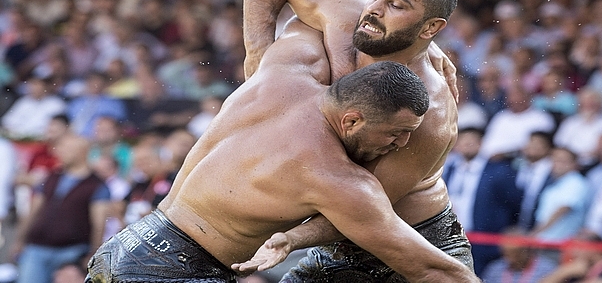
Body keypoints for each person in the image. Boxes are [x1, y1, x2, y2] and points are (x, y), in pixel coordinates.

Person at [86, 19, 477, 283]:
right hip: (175, 272)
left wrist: (424, 46)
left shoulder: (282, 72)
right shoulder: (334, 177)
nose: (403, 145)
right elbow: (428, 268)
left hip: (126, 246)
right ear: (353, 121)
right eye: (397, 133)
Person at [234, 0, 472, 282]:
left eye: (397, 5)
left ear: (431, 27)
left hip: (415, 242)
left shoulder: (429, 114)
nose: (373, 9)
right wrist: (257, 66)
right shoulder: (350, 15)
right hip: (341, 243)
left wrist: (291, 237)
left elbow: (365, 209)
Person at [12, 134, 110, 283]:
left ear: (82, 152)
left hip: (72, 251)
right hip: (37, 247)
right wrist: (20, 240)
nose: (59, 152)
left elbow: (99, 223)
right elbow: (33, 211)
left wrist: (93, 253)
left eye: (67, 148)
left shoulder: (96, 185)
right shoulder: (52, 177)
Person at [442, 128, 522, 276]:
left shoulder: (498, 171)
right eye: (463, 143)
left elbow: (514, 203)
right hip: (454, 239)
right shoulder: (450, 169)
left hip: (485, 241)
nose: (466, 146)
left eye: (471, 143)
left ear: (480, 144)